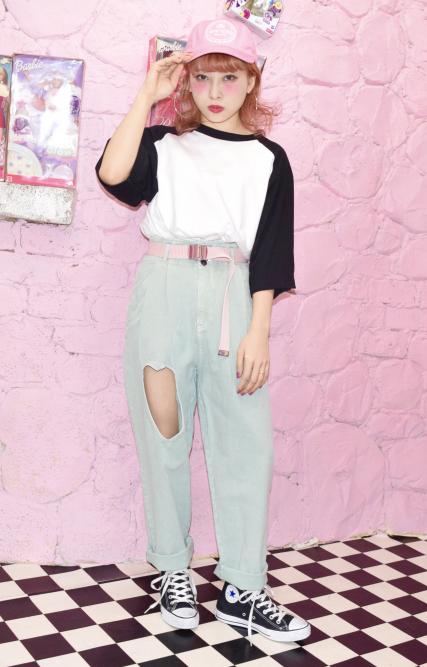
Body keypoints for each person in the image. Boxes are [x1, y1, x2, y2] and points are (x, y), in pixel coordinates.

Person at [95, 16, 311, 646]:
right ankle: (172, 570)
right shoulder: (164, 144)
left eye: (230, 77)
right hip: (163, 290)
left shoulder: (270, 160)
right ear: (187, 80)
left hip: (233, 299)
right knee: (162, 435)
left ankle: (242, 587)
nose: (216, 91)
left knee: (245, 443)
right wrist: (147, 94)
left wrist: (259, 331)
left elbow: (271, 252)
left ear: (252, 81)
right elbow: (113, 175)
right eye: (204, 77)